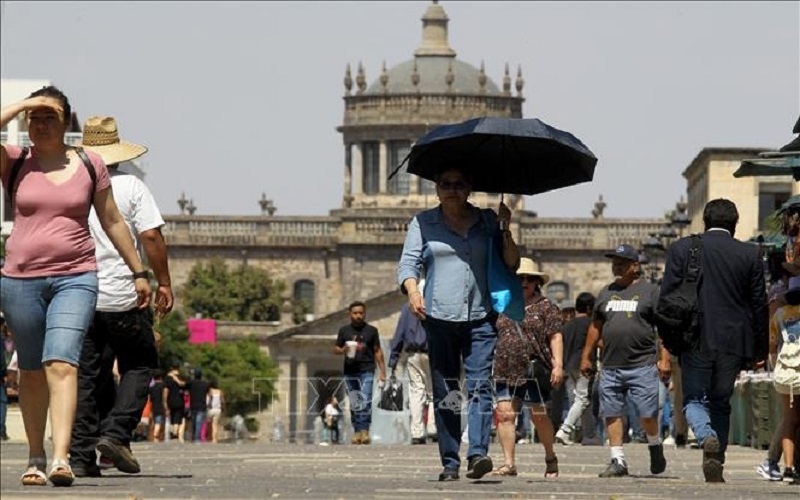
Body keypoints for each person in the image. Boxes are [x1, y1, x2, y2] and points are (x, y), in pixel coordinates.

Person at [0, 87, 151, 487]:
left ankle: (62, 457)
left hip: (76, 275)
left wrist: (139, 271)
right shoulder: (14, 161)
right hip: (20, 280)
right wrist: (23, 105)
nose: (40, 124)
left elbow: (113, 219)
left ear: (66, 122)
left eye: (50, 116)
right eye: (35, 118)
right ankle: (36, 455)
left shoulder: (89, 162)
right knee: (32, 372)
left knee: (63, 363)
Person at [397, 166, 520, 481]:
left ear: (469, 189)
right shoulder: (423, 223)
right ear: (436, 189)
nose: (452, 189)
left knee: (480, 385)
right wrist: (413, 291)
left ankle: (477, 453)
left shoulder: (488, 221)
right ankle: (450, 460)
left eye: (459, 184)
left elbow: (512, 263)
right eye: (445, 184)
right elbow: (409, 263)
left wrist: (506, 227)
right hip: (439, 318)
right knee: (446, 390)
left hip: (481, 316)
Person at [69, 115, 173, 477]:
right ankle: (115, 433)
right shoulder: (130, 187)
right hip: (123, 294)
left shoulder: (69, 185)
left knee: (86, 376)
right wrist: (163, 281)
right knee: (140, 363)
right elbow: (151, 238)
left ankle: (81, 455)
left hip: (77, 293)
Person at [661, 198, 768, 483]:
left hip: (694, 338)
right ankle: (716, 461)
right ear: (735, 224)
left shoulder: (681, 249)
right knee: (721, 401)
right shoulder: (750, 254)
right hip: (734, 341)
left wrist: (669, 342)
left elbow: (667, 299)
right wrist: (760, 348)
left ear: (704, 222)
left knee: (694, 398)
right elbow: (759, 304)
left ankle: (706, 437)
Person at [581, 244, 670, 478]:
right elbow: (595, 327)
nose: (616, 267)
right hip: (610, 365)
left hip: (642, 364)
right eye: (614, 263)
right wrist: (586, 355)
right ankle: (617, 459)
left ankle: (654, 444)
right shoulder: (605, 293)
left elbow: (663, 329)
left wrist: (665, 359)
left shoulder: (651, 292)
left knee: (647, 414)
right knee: (611, 412)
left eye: (621, 263)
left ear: (635, 266)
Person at [490, 258, 564, 478]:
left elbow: (556, 337)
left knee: (539, 416)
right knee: (505, 416)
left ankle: (550, 456)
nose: (524, 282)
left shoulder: (546, 307)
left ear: (536, 282)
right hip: (505, 367)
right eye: (519, 278)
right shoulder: (501, 305)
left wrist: (557, 365)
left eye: (529, 279)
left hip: (533, 369)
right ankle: (509, 464)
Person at [387, 280, 437, 445]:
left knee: (416, 392)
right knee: (433, 392)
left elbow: (399, 334)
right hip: (433, 353)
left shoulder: (407, 309)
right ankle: (432, 428)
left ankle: (417, 432)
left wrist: (393, 359)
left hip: (412, 355)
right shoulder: (435, 306)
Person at [333, 301, 386, 445]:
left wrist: (383, 371)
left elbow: (377, 350)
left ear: (365, 313)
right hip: (350, 371)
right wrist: (343, 350)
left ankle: (365, 430)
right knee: (355, 401)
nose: (358, 316)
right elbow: (336, 349)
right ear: (350, 314)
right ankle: (357, 430)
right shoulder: (344, 331)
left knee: (366, 398)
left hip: (367, 369)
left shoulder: (371, 331)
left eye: (361, 313)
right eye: (355, 313)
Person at [555, 292, 599, 446]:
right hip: (584, 365)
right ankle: (565, 430)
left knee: (583, 400)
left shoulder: (567, 325)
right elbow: (599, 343)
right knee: (582, 399)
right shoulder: (591, 324)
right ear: (589, 308)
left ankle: (590, 435)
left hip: (569, 366)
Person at [770, 275, 800, 483]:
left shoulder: (778, 315)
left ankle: (788, 468)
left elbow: (772, 347)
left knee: (789, 420)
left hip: (785, 372)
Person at [164, 364, 187, 442]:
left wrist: (164, 402)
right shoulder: (180, 376)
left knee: (172, 417)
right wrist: (177, 380)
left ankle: (173, 433)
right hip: (179, 400)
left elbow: (166, 390)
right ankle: (175, 434)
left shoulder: (167, 378)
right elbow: (184, 385)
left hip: (170, 400)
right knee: (177, 417)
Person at [186, 369, 211, 442]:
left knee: (194, 423)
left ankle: (195, 438)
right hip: (202, 406)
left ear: (194, 376)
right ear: (201, 376)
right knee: (198, 423)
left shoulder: (191, 383)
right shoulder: (205, 384)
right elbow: (209, 394)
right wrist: (209, 403)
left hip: (193, 406)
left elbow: (183, 385)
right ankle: (196, 438)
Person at [149, 370, 166, 442]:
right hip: (160, 406)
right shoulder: (163, 386)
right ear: (161, 377)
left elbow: (150, 399)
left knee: (155, 421)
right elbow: (164, 397)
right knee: (158, 422)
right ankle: (156, 436)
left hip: (153, 407)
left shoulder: (151, 387)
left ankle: (155, 436)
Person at [207, 379, 225, 443]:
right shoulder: (220, 391)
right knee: (215, 425)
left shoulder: (210, 391)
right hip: (218, 409)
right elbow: (222, 401)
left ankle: (210, 437)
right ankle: (215, 439)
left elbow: (209, 400)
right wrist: (223, 409)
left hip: (211, 409)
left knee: (209, 424)